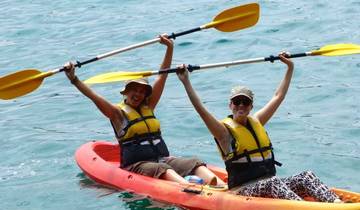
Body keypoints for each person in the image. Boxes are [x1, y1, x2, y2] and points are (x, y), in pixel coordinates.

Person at [176, 52, 341, 202]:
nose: (241, 105)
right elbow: (201, 109)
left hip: (269, 185)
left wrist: (290, 67)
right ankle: (303, 207)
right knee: (273, 183)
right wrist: (186, 82)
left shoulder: (257, 121)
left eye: (245, 102)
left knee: (306, 176)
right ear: (230, 105)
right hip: (242, 192)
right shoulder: (223, 132)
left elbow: (279, 96)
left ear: (251, 106)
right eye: (237, 102)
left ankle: (337, 203)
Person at [63, 34, 225, 186]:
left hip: (162, 159)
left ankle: (224, 186)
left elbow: (162, 76)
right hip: (136, 166)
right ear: (125, 91)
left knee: (194, 162)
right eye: (135, 89)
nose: (139, 94)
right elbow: (93, 95)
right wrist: (74, 79)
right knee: (163, 169)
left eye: (142, 91)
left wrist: (170, 48)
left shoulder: (148, 106)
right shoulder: (117, 113)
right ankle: (192, 190)